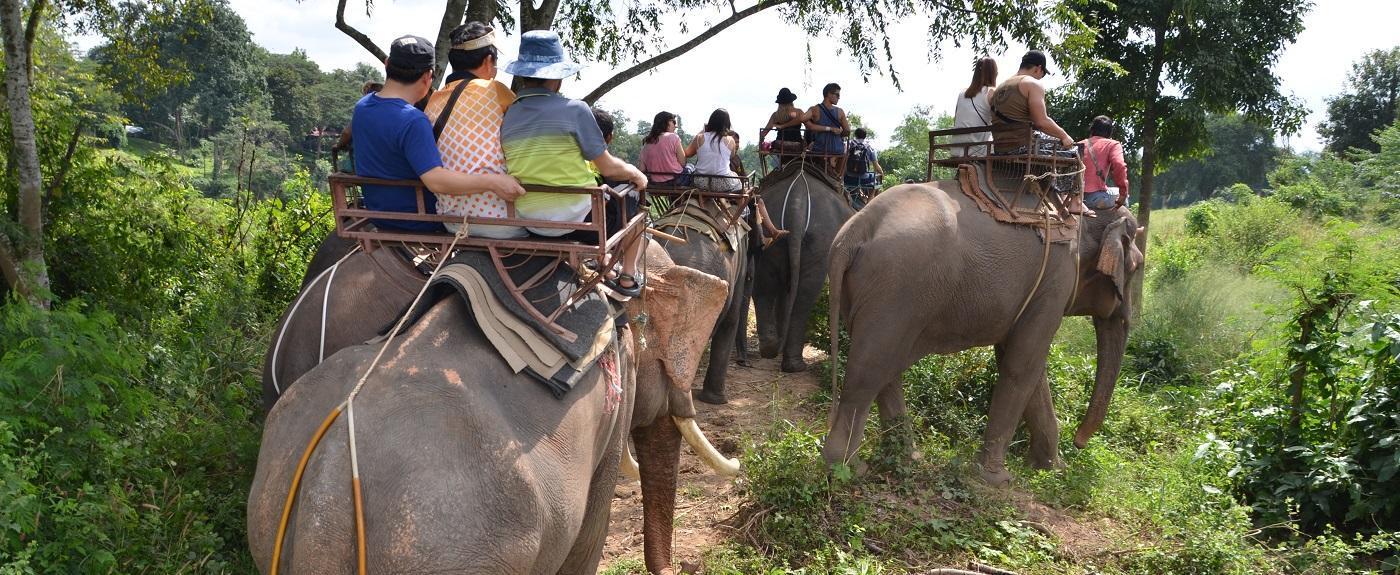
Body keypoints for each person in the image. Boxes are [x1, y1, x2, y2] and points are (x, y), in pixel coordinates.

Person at [501, 30, 648, 296]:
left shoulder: (509, 113)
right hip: (580, 222)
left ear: (523, 74)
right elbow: (608, 167)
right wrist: (636, 173)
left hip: (528, 220)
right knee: (633, 199)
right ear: (557, 75)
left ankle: (602, 264)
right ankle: (628, 277)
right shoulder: (575, 109)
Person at [351, 34, 523, 231]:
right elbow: (436, 181)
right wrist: (493, 181)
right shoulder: (413, 120)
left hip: (377, 212)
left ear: (387, 63)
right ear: (427, 77)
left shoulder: (362, 106)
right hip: (418, 217)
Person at [424, 22, 522, 238]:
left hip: (451, 219)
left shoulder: (433, 100)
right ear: (488, 61)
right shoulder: (495, 90)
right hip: (501, 218)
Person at [989, 50, 1074, 153]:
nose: (1040, 78)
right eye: (1042, 75)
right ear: (1038, 68)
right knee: (1074, 150)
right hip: (1023, 148)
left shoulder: (999, 87)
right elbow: (1041, 122)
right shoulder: (1032, 84)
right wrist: (1064, 136)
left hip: (1000, 149)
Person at [1079, 115, 1130, 210]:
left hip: (1075, 198)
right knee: (1125, 197)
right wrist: (1123, 192)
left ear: (1092, 130)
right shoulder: (1113, 144)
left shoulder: (1079, 144)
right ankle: (1122, 224)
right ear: (1110, 133)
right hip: (1094, 198)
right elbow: (1119, 165)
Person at [685, 109, 743, 192]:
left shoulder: (699, 138)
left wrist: (703, 130)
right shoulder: (730, 140)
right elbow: (732, 156)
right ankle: (742, 205)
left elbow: (687, 153)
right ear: (727, 124)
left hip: (701, 182)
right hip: (723, 183)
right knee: (738, 182)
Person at [952, 57, 997, 157]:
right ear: (994, 73)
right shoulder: (991, 92)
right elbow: (998, 120)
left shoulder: (962, 93)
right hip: (978, 149)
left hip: (956, 148)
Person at [805, 82, 850, 174]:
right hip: (837, 149)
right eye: (837, 95)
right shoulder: (840, 112)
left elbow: (802, 119)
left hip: (819, 148)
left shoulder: (814, 109)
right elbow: (847, 131)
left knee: (809, 148)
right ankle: (838, 176)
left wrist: (811, 126)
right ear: (829, 94)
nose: (839, 97)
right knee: (845, 153)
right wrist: (838, 133)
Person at [761, 87, 806, 167]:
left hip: (780, 145)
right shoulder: (798, 112)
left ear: (779, 103)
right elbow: (809, 126)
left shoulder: (775, 115)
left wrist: (761, 142)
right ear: (792, 101)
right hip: (796, 146)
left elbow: (764, 132)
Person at [638, 111, 686, 184]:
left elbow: (642, 169)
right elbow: (683, 163)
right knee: (690, 167)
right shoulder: (673, 137)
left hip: (655, 182)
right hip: (675, 181)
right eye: (674, 122)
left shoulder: (646, 143)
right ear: (667, 122)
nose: (676, 126)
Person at [843, 128, 884, 209]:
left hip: (848, 178)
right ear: (865, 136)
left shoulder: (848, 144)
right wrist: (882, 173)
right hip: (863, 179)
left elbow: (842, 160)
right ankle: (868, 204)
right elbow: (876, 166)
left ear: (855, 135)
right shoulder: (869, 147)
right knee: (875, 183)